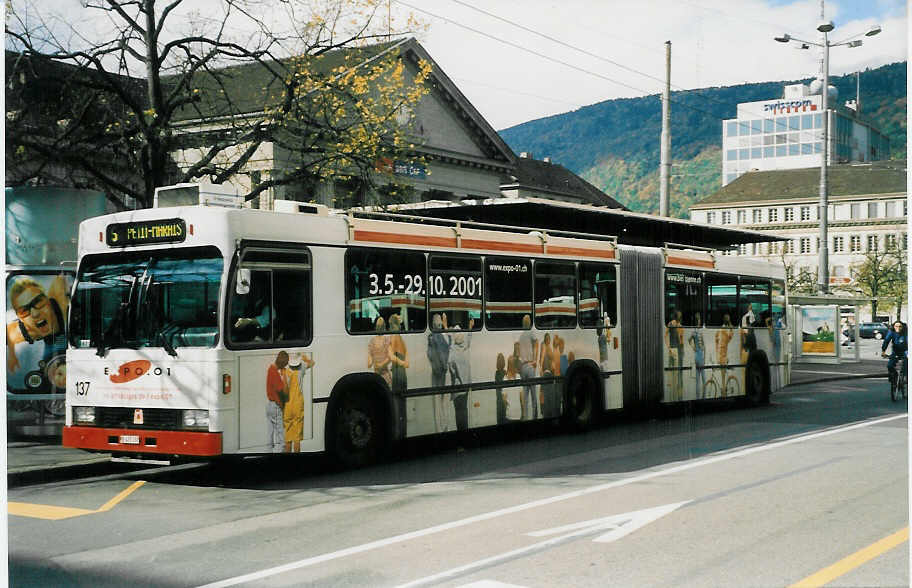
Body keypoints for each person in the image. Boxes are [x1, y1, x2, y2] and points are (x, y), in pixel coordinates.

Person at [6, 275, 69, 373]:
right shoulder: (27, 330)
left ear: (48, 300)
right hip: (53, 355)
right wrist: (12, 355)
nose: (35, 314)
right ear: (21, 319)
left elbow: (61, 276)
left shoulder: (60, 301)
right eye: (24, 310)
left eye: (38, 301)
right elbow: (9, 332)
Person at [283, 353, 315, 453]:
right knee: (297, 436)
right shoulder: (302, 368)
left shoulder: (285, 371)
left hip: (287, 405)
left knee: (288, 436)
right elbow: (312, 363)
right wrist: (304, 357)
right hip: (298, 403)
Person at [427, 313, 451, 431]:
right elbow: (445, 349)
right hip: (443, 371)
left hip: (435, 372)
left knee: (437, 401)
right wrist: (445, 366)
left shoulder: (431, 336)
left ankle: (439, 427)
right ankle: (444, 426)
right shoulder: (442, 336)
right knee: (444, 400)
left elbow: (429, 354)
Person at [449, 318, 473, 431]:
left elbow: (451, 369)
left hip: (457, 387)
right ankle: (465, 432)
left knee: (458, 412)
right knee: (464, 410)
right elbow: (468, 339)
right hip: (466, 385)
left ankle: (461, 433)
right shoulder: (464, 349)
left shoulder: (453, 354)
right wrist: (470, 327)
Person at [266, 351, 289, 452]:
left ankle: (269, 451)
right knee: (280, 431)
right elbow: (281, 390)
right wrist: (283, 405)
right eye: (285, 364)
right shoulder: (275, 373)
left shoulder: (270, 369)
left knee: (270, 431)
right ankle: (282, 451)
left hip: (269, 405)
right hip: (276, 405)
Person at [518, 314, 539, 420]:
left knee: (525, 395)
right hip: (530, 365)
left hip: (523, 367)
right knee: (533, 394)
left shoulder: (521, 336)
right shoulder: (531, 332)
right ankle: (534, 416)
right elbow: (536, 344)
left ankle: (526, 417)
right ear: (529, 323)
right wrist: (535, 360)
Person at [881, 321, 908, 389]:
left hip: (905, 351)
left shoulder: (906, 332)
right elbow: (886, 341)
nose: (898, 328)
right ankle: (894, 377)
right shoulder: (891, 332)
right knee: (890, 365)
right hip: (895, 351)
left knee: (906, 363)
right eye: (896, 326)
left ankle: (905, 377)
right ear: (893, 327)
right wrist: (883, 351)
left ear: (903, 327)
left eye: (900, 326)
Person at [367, 316, 391, 388]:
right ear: (384, 327)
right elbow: (389, 357)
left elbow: (370, 357)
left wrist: (371, 363)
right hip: (385, 374)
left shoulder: (372, 340)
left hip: (376, 374)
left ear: (376, 327)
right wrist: (382, 364)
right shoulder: (387, 340)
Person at [665, 310, 684, 400]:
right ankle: (675, 397)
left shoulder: (670, 324)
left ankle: (671, 397)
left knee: (670, 373)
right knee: (675, 375)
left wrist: (668, 347)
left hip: (671, 350)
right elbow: (680, 342)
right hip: (676, 351)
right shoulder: (679, 326)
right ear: (678, 317)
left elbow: (665, 336)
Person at [388, 314, 409, 394]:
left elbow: (391, 356)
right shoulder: (400, 338)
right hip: (402, 373)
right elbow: (406, 361)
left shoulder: (394, 336)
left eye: (390, 325)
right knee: (402, 397)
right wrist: (403, 363)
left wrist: (399, 363)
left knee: (396, 397)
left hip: (397, 373)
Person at [715, 314, 734, 397]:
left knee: (723, 373)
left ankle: (724, 391)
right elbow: (729, 337)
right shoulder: (725, 331)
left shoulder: (720, 330)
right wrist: (731, 328)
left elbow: (717, 339)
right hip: (722, 354)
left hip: (721, 353)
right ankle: (724, 391)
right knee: (723, 373)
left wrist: (717, 352)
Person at [689, 312, 706, 399]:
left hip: (700, 354)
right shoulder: (695, 332)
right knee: (701, 377)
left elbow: (703, 344)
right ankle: (701, 397)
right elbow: (689, 340)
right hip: (699, 354)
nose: (699, 321)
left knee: (700, 378)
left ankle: (700, 397)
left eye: (698, 319)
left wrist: (696, 348)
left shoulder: (698, 331)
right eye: (698, 319)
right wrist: (694, 347)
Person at [495, 352, 507, 424]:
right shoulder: (505, 373)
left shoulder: (496, 373)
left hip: (499, 399)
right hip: (504, 398)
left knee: (499, 420)